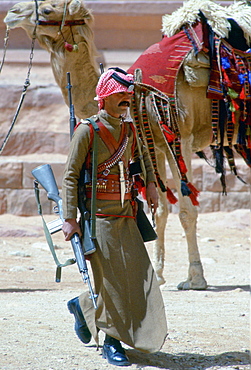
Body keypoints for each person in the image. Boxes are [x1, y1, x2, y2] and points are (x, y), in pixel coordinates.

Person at [62, 68, 168, 366]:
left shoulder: (129, 130)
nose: (126, 99)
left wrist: (150, 184)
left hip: (127, 215)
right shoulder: (88, 131)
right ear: (105, 97)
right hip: (99, 219)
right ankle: (112, 341)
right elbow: (70, 175)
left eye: (128, 96)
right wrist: (70, 218)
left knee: (136, 280)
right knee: (112, 284)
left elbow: (142, 158)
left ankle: (83, 306)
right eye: (120, 95)